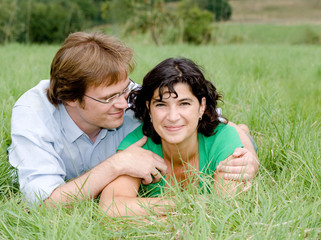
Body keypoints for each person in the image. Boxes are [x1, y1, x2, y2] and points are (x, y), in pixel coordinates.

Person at [8, 32, 259, 207]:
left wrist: (248, 155)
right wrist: (117, 165)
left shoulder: (129, 97)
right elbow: (43, 205)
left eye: (124, 90)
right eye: (108, 98)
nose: (122, 103)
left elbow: (212, 122)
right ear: (71, 98)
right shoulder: (34, 113)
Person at [99, 58, 258, 217]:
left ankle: (243, 131)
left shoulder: (223, 138)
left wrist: (149, 214)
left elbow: (228, 207)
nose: (173, 117)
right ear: (149, 108)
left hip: (221, 132)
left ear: (202, 106)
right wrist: (189, 205)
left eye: (184, 104)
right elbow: (111, 208)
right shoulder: (136, 144)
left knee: (237, 133)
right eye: (161, 104)